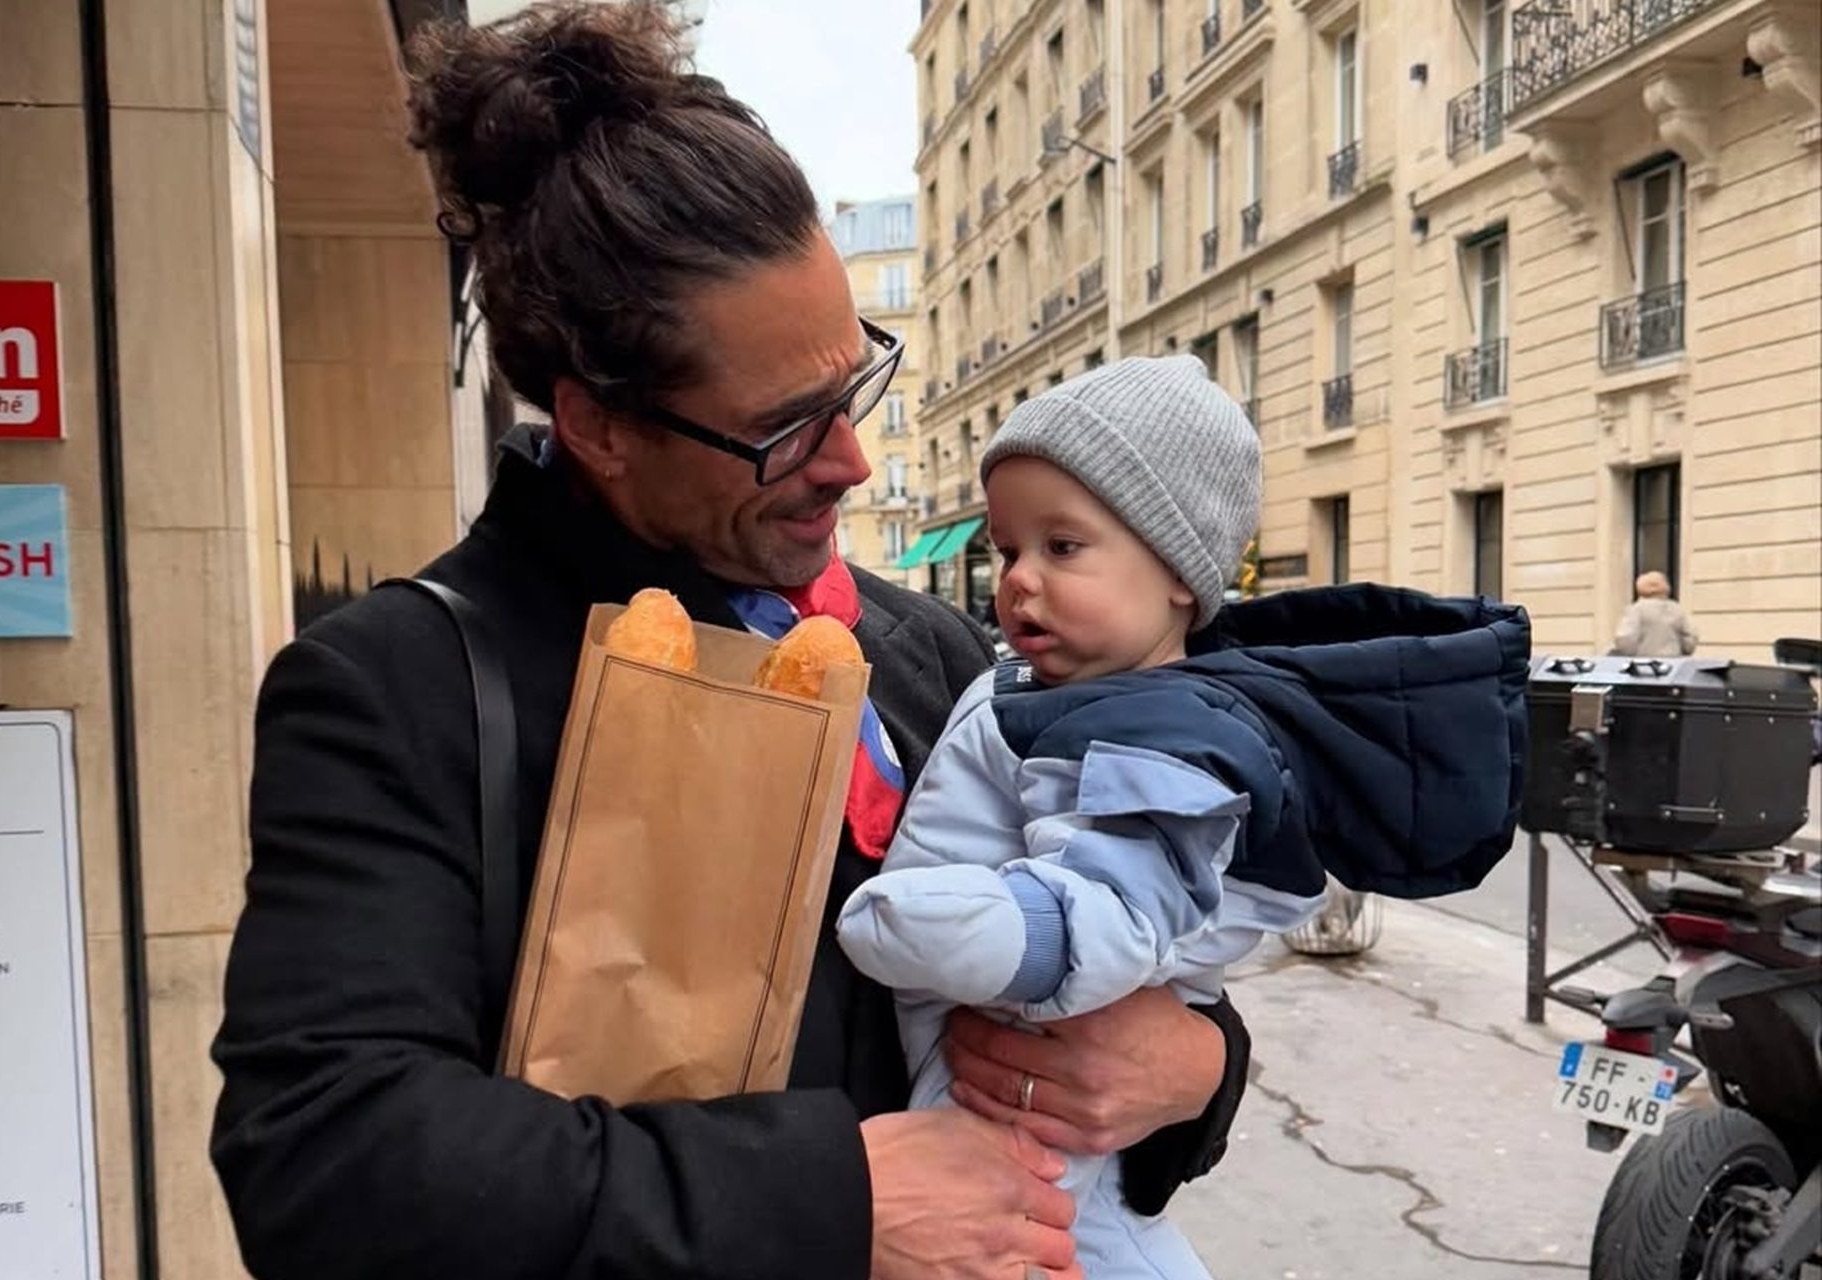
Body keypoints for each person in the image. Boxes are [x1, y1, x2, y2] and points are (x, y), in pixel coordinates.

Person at [208, 6, 1248, 1279]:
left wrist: (1195, 1065)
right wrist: (833, 1202)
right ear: (599, 425)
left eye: (855, 381)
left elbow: (1122, 904)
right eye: (784, 427)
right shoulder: (398, 685)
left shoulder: (930, 651)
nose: (853, 460)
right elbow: (323, 1159)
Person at [836, 357, 1531, 1279]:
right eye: (1007, 551)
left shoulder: (1158, 733)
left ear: (1178, 574)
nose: (1018, 581)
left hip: (1002, 1106)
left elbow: (1115, 914)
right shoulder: (1051, 687)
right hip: (970, 1105)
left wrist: (973, 931)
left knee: (1049, 1233)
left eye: (1063, 547)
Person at [1612, 571, 1698, 657]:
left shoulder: (1636, 610)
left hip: (1644, 664)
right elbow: (1690, 641)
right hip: (1673, 664)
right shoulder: (1677, 610)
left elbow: (1625, 639)